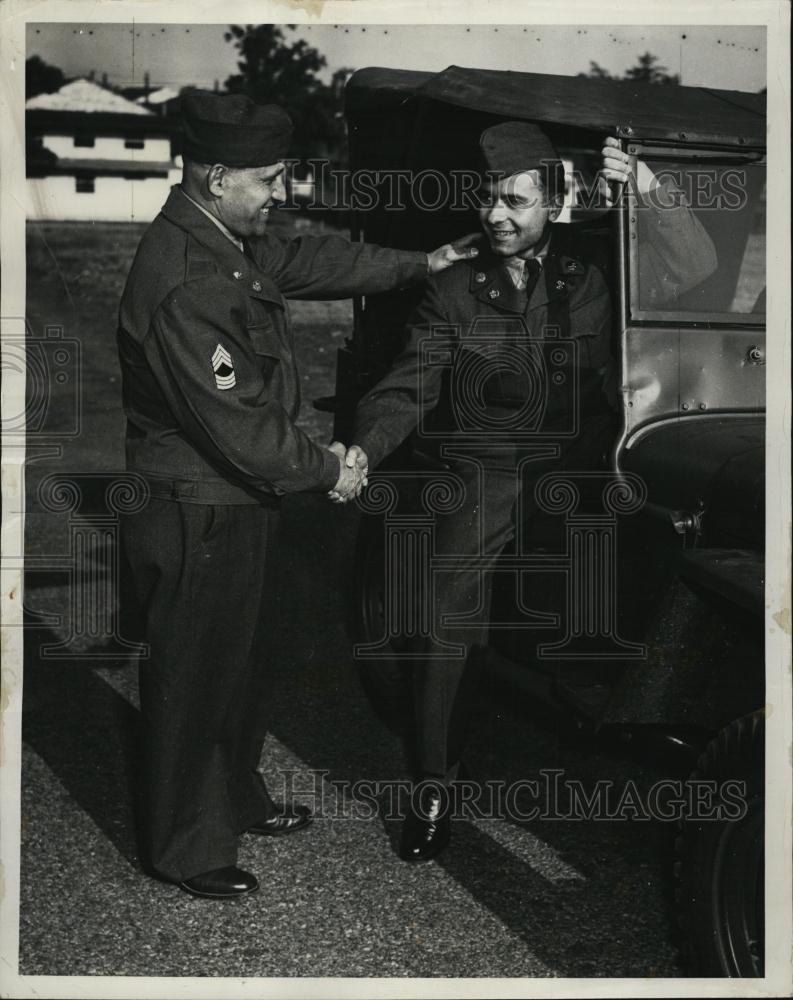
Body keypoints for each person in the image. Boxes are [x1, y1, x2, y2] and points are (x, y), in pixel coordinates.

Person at [117, 92, 478, 898]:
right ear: (217, 176)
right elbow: (236, 423)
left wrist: (422, 264)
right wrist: (332, 469)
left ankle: (233, 799)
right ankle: (183, 847)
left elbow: (316, 260)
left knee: (240, 663)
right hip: (196, 503)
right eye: (268, 178)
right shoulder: (187, 278)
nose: (279, 191)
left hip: (234, 500)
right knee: (193, 673)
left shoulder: (221, 238)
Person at [344, 123, 717, 863]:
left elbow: (697, 265)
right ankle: (431, 785)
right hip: (482, 470)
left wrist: (644, 185)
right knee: (446, 624)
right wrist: (359, 450)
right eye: (487, 200)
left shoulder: (592, 276)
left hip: (571, 472)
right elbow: (405, 390)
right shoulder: (453, 291)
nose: (494, 216)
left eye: (513, 201)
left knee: (640, 566)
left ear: (554, 202)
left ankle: (592, 703)